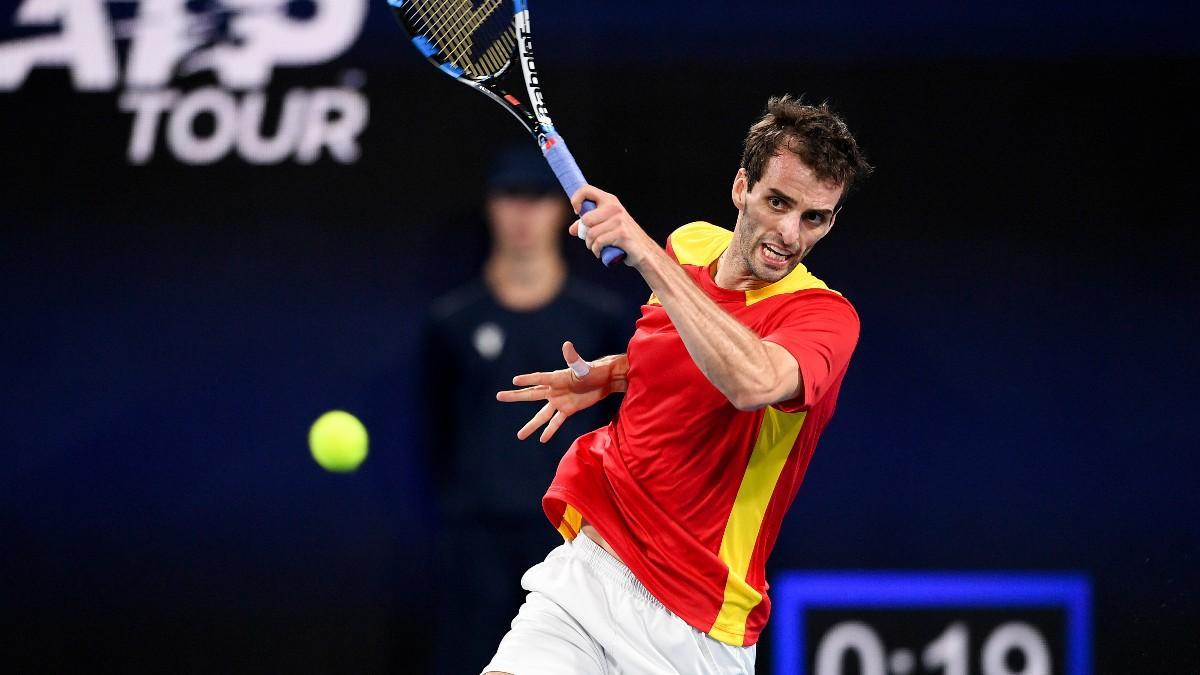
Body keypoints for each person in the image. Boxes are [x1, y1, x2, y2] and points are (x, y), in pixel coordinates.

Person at [486, 96, 873, 674]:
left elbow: (752, 381)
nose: (789, 233)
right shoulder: (690, 244)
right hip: (593, 567)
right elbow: (687, 344)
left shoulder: (824, 317)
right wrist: (618, 372)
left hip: (696, 625)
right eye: (777, 202)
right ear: (742, 186)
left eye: (813, 217)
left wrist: (643, 253)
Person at [422, 144, 630, 675]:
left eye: (537, 197)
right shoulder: (451, 322)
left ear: (559, 209)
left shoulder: (601, 320)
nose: (523, 213)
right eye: (511, 196)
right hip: (477, 541)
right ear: (492, 206)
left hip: (574, 541)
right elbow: (435, 433)